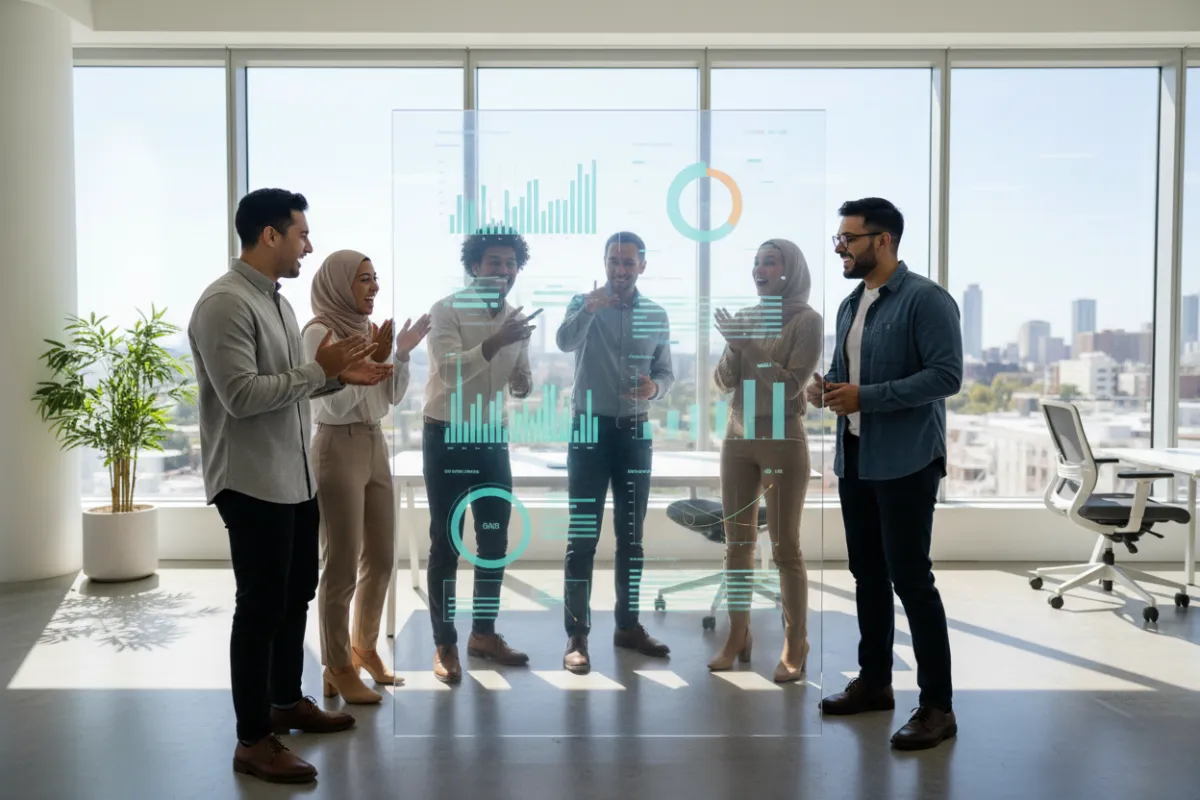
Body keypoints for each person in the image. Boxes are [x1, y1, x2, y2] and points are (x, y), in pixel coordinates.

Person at [188, 189, 394, 784]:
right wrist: (320, 371)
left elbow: (294, 385)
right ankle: (254, 739)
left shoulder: (275, 304)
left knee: (296, 591)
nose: (310, 242)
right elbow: (243, 396)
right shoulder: (224, 304)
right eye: (302, 232)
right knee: (259, 609)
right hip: (250, 481)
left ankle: (285, 700)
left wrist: (337, 378)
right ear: (270, 235)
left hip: (292, 474)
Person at [810, 197, 963, 751]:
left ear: (883, 240)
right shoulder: (853, 304)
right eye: (839, 239)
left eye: (848, 239)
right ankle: (874, 683)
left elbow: (946, 376)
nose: (840, 249)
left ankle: (938, 708)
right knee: (866, 576)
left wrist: (864, 397)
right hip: (855, 459)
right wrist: (827, 388)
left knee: (912, 583)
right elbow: (843, 373)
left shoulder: (927, 300)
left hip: (906, 463)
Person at [301, 250, 432, 704]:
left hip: (376, 443)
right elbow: (331, 405)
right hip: (338, 445)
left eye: (375, 279)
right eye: (363, 280)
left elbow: (391, 397)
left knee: (379, 558)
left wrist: (400, 356)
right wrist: (357, 371)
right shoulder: (320, 332)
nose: (373, 287)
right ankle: (336, 666)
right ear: (339, 284)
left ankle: (364, 649)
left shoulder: (364, 330)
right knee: (341, 563)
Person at [557, 231, 675, 675]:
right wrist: (588, 308)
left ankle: (627, 626)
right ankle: (577, 636)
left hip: (635, 431)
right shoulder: (582, 303)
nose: (619, 270)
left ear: (642, 265)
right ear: (604, 262)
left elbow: (665, 370)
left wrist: (654, 388)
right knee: (582, 538)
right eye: (613, 261)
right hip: (589, 429)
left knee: (632, 537)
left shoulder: (657, 314)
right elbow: (565, 342)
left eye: (628, 263)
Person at [422, 228, 537, 683]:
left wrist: (523, 383)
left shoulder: (515, 318)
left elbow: (520, 375)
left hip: (492, 436)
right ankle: (444, 643)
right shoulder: (445, 310)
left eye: (510, 264)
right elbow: (448, 370)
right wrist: (496, 341)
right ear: (474, 266)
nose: (503, 272)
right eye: (494, 263)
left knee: (493, 542)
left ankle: (484, 635)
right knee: (446, 544)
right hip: (448, 433)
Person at [709, 239, 823, 682]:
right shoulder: (747, 319)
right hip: (738, 441)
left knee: (784, 548)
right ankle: (738, 636)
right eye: (756, 262)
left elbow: (789, 389)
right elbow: (723, 382)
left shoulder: (806, 321)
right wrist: (735, 348)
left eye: (770, 262)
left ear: (789, 269)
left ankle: (796, 644)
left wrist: (749, 347)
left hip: (781, 441)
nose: (760, 269)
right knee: (736, 546)